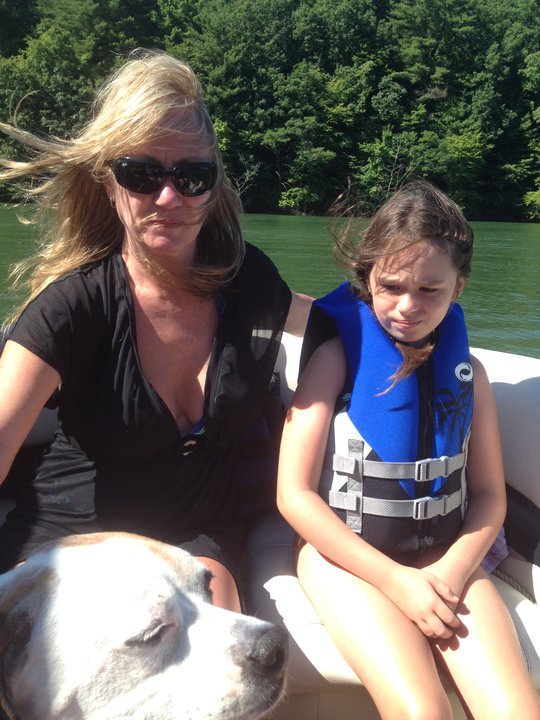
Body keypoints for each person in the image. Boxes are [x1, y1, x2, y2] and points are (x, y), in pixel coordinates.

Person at [0, 49, 311, 613]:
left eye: (192, 176)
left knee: (218, 636)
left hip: (199, 537)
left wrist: (425, 327)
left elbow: (326, 322)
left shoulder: (251, 282)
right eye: (141, 174)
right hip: (71, 534)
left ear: (213, 183)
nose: (169, 198)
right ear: (107, 182)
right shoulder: (72, 306)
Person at [277, 181, 540, 719]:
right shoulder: (335, 361)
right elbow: (293, 494)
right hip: (343, 560)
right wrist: (396, 581)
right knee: (423, 712)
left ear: (458, 287)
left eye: (429, 289)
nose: (406, 306)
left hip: (445, 556)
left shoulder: (470, 375)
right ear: (368, 277)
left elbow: (489, 496)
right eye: (391, 286)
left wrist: (451, 572)